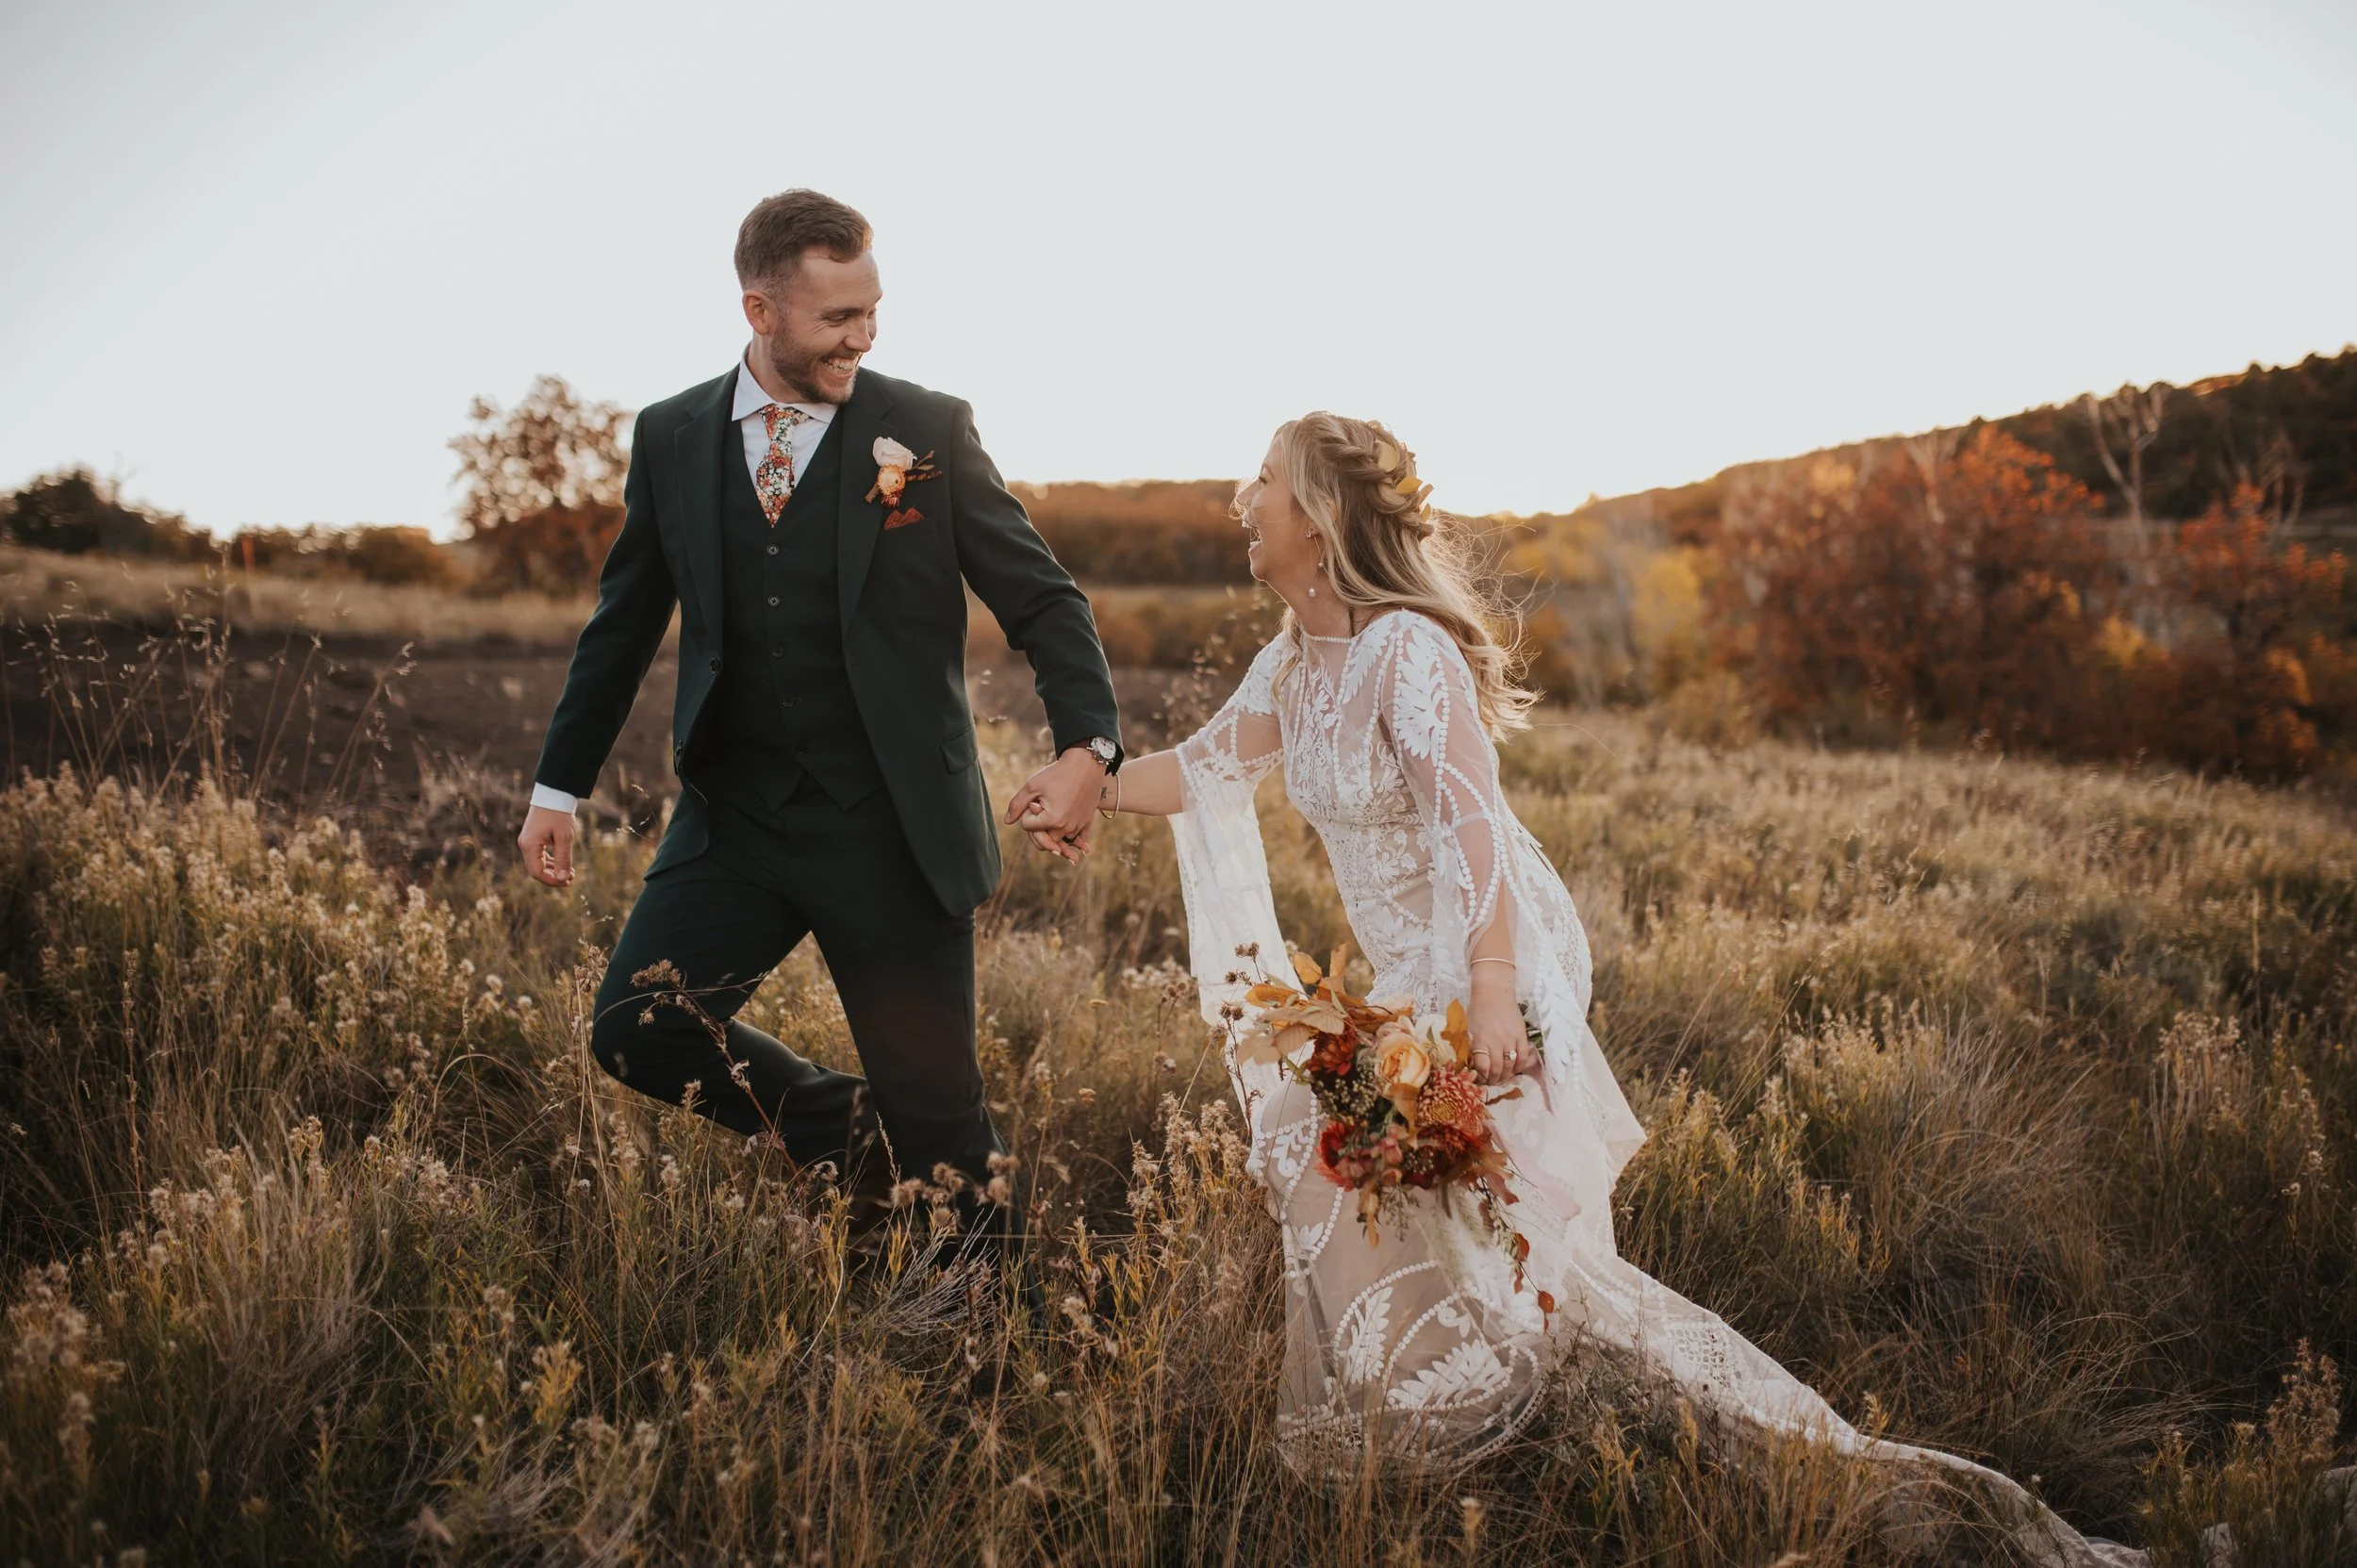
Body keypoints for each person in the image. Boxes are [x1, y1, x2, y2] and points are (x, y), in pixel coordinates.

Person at [1061, 412, 2146, 1567]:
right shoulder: (1291, 659)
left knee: (1440, 1192)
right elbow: (1209, 767)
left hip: (1490, 952)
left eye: (1263, 481)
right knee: (1337, 1150)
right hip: (1409, 971)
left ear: (1319, 520)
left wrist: (1485, 1000)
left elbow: (1469, 830)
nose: (1240, 498)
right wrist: (1086, 784)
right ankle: (1427, 1414)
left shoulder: (1404, 653)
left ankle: (1610, 1434)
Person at [517, 190, 1123, 1238]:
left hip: (892, 823)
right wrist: (555, 786)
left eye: (872, 310)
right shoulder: (670, 435)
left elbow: (1041, 597)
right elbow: (622, 624)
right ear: (760, 311)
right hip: (737, 817)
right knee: (635, 1028)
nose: (865, 335)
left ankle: (991, 1334)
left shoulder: (923, 428)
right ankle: (845, 1133)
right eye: (838, 317)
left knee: (941, 1118)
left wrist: (1089, 747)